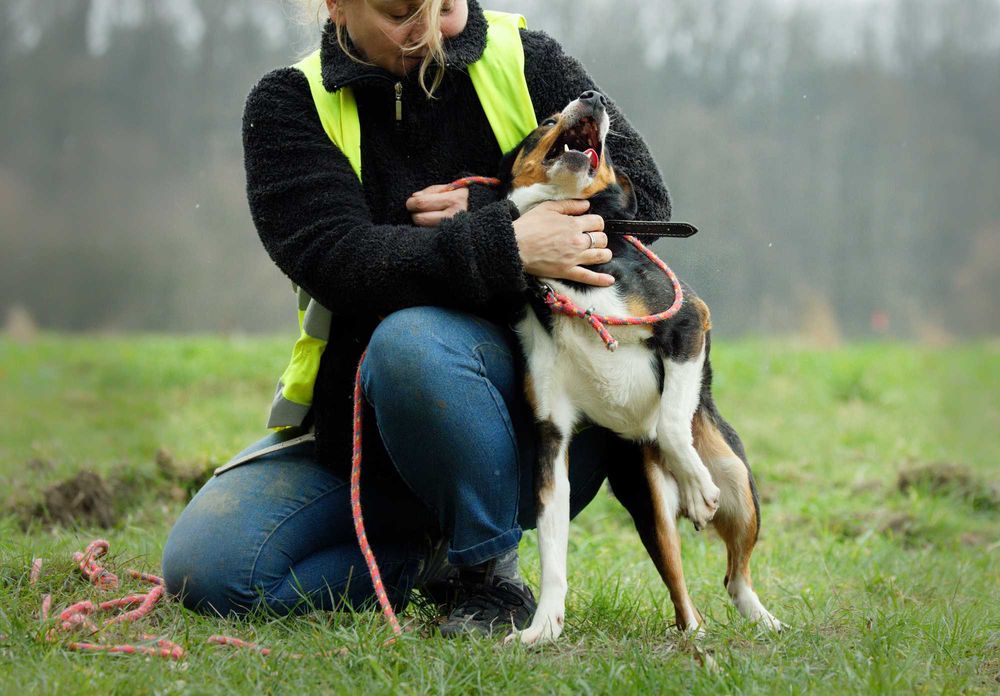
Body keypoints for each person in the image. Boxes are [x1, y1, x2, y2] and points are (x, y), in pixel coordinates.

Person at [162, 0, 671, 638]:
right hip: (368, 443)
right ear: (337, 6)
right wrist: (506, 241)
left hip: (544, 429)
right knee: (209, 571)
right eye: (404, 11)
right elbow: (337, 257)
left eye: (448, 5)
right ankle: (434, 557)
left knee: (411, 341)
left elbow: (646, 200)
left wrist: (493, 204)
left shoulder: (527, 60)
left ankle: (488, 577)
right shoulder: (289, 104)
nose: (432, 30)